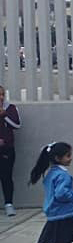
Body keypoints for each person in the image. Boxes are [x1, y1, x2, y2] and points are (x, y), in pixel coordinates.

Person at [0, 85, 21, 216]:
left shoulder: (10, 108)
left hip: (7, 149)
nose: (1, 97)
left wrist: (5, 115)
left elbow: (17, 125)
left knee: (6, 176)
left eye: (2, 94)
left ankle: (9, 204)